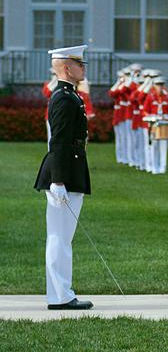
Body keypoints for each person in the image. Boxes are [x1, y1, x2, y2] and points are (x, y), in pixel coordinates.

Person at [34, 45, 93, 310]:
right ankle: (60, 296)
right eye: (80, 64)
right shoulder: (64, 97)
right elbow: (57, 141)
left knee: (62, 237)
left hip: (70, 169)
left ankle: (61, 293)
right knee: (59, 236)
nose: (84, 68)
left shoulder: (70, 95)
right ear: (67, 67)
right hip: (64, 173)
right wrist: (58, 181)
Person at [143, 76, 168, 174]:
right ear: (154, 86)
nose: (160, 87)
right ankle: (154, 167)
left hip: (165, 123)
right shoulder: (150, 97)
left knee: (164, 147)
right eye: (158, 85)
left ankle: (163, 167)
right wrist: (151, 117)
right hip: (154, 124)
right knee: (154, 146)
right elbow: (145, 111)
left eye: (161, 85)